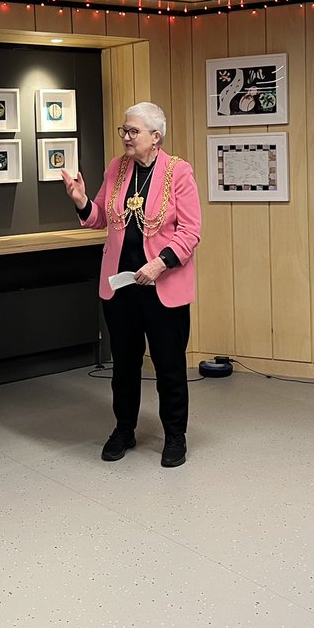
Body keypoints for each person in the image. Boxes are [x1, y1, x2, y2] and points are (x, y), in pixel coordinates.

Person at [61, 102, 202, 467]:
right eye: (124, 130)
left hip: (162, 285)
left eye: (133, 131)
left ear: (156, 138)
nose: (125, 136)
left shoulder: (179, 171)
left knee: (169, 366)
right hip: (121, 287)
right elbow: (101, 219)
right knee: (124, 365)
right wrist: (80, 202)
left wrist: (159, 264)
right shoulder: (117, 167)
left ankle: (175, 436)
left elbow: (191, 232)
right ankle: (124, 429)